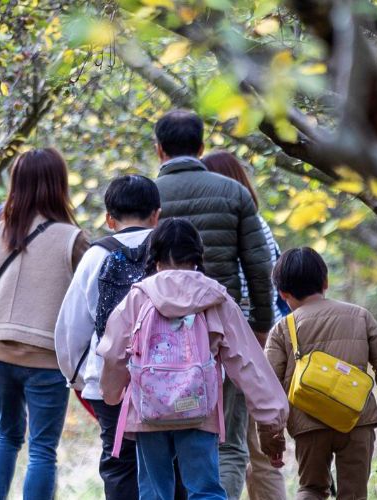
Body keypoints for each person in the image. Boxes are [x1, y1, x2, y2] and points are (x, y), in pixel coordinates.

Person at [97, 219, 287, 500]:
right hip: (199, 409)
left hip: (149, 410)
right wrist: (271, 417)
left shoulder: (139, 296)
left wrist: (111, 394)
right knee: (205, 489)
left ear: (156, 256)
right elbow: (248, 361)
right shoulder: (214, 298)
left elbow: (114, 353)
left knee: (154, 491)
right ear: (197, 255)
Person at [148, 111, 280, 496]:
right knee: (227, 440)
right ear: (201, 147)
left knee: (165, 442)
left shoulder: (147, 196)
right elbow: (260, 264)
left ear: (159, 149)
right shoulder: (234, 193)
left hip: (159, 338)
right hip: (221, 331)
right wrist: (259, 323)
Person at [0, 149, 89, 500]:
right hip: (46, 355)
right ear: (59, 185)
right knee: (42, 449)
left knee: (5, 437)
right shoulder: (73, 238)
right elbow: (92, 297)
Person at [258, 248, 377, 500]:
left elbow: (267, 388)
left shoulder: (282, 329)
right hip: (356, 420)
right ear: (326, 282)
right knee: (354, 494)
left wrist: (271, 441)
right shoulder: (360, 316)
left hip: (308, 424)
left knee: (311, 489)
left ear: (283, 294)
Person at [56, 175, 163, 499]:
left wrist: (78, 377)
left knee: (119, 464)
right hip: (170, 380)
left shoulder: (95, 255)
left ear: (109, 218)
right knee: (170, 464)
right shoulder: (172, 251)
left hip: (110, 382)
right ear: (157, 214)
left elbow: (71, 327)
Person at [202, 150, 291, 499]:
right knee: (264, 450)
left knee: (228, 445)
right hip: (264, 343)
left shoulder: (221, 227)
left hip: (234, 342)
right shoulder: (260, 225)